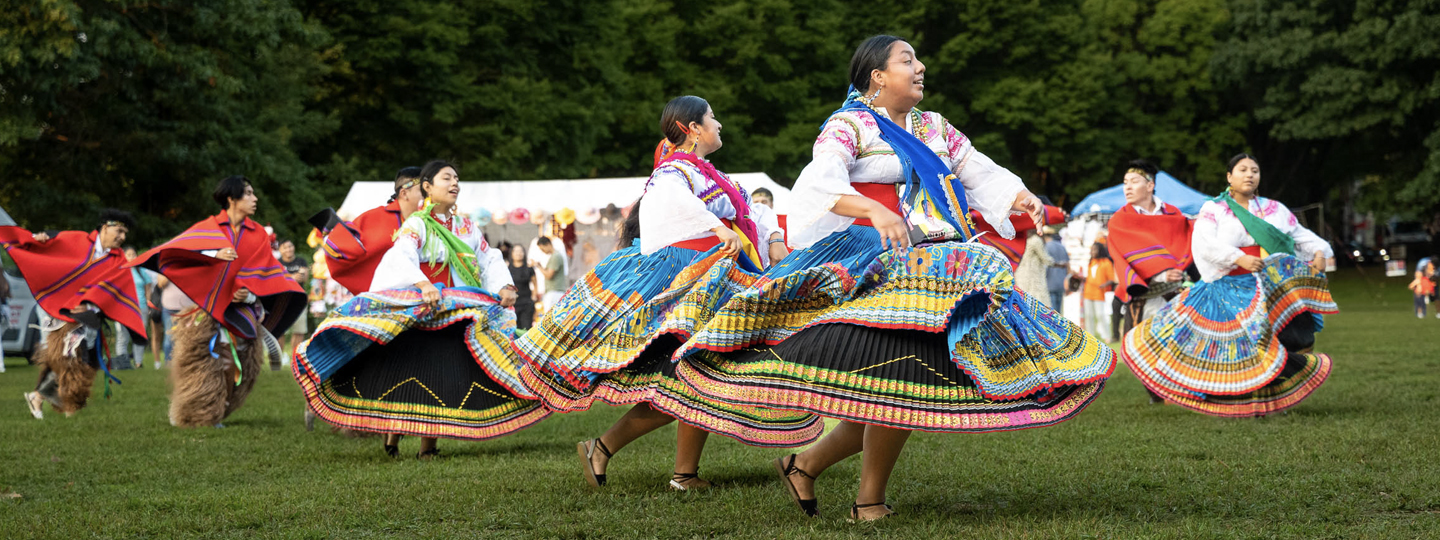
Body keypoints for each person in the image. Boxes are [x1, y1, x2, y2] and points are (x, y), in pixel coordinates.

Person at [666, 36, 1115, 521]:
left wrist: (1018, 195)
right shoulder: (849, 125)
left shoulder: (934, 126)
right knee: (898, 378)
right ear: (877, 75)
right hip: (874, 262)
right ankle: (865, 499)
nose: (920, 67)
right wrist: (871, 211)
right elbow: (821, 182)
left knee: (906, 378)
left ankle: (807, 465)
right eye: (908, 60)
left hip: (934, 259)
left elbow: (978, 171)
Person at [517, 95, 813, 492]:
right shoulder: (673, 171)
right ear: (693, 129)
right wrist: (717, 226)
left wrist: (774, 237)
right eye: (712, 117)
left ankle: (646, 461)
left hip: (719, 277)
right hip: (693, 283)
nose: (719, 123)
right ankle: (642, 459)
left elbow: (752, 209)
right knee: (695, 376)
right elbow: (671, 201)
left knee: (702, 376)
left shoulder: (711, 175)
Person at [293, 160, 544, 459]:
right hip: (420, 310)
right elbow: (401, 256)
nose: (454, 184)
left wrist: (505, 286)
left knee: (438, 375)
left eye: (456, 178)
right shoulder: (417, 224)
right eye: (446, 178)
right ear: (427, 186)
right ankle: (392, 439)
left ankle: (428, 447)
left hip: (455, 313)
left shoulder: (466, 226)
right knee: (403, 372)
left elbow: (488, 258)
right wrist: (423, 284)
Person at [1121, 153, 1338, 417]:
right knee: (1238, 347)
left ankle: (1272, 399)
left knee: (1288, 338)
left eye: (1254, 170)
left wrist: (1319, 254)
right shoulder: (1214, 209)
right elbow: (1205, 244)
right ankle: (1237, 399)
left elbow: (1303, 238)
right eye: (1243, 170)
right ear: (1229, 177)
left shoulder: (1274, 209)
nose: (1249, 175)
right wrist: (1238, 257)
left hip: (1271, 287)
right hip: (1230, 287)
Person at [129, 176, 306, 428]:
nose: (255, 199)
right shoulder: (208, 228)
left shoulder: (257, 236)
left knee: (243, 365)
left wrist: (250, 293)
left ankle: (219, 408)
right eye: (248, 193)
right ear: (231, 198)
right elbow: (181, 253)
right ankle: (202, 409)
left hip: (243, 311)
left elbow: (266, 274)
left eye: (254, 193)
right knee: (213, 360)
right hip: (208, 311)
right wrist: (214, 253)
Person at [2, 209, 146, 419]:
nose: (122, 237)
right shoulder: (77, 240)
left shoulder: (117, 260)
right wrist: (38, 240)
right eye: (119, 230)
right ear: (105, 226)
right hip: (57, 309)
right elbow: (47, 249)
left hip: (88, 316)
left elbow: (118, 289)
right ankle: (59, 400)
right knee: (65, 358)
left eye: (125, 233)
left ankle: (44, 397)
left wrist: (90, 304)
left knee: (81, 362)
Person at [1105, 160, 1193, 336]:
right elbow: (1125, 259)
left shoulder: (1174, 214)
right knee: (1142, 359)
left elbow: (1186, 244)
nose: (1127, 188)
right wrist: (1161, 274)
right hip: (1142, 300)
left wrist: (1178, 270)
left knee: (1177, 358)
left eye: (1134, 181)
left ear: (1150, 185)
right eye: (1125, 182)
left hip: (1176, 297)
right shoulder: (1120, 221)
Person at [278, 239, 310, 368]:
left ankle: (295, 358)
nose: (288, 249)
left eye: (290, 246)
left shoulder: (301, 261)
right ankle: (279, 357)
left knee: (299, 330)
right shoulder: (277, 263)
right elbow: (276, 279)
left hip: (299, 300)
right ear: (280, 250)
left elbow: (304, 277)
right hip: (281, 301)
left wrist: (287, 276)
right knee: (280, 331)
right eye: (285, 247)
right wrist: (292, 277)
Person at [1080, 243, 1115, 341]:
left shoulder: (1106, 262)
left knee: (1100, 314)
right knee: (1088, 315)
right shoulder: (1091, 262)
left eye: (1094, 250)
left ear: (1099, 250)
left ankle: (1106, 335)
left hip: (1099, 292)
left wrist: (1104, 284)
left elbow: (1111, 278)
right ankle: (1090, 336)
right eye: (1091, 250)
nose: (1092, 252)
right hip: (1088, 291)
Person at [1014, 230, 1052, 304]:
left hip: (1020, 274)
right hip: (1033, 276)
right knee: (1038, 300)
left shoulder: (1018, 240)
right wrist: (1058, 264)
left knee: (1023, 301)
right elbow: (1046, 258)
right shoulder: (1035, 240)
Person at [506, 244, 539, 330]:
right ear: (512, 254)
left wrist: (534, 298)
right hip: (512, 304)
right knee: (514, 329)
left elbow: (535, 283)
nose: (518, 253)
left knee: (526, 328)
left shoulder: (529, 268)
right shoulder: (507, 269)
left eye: (521, 251)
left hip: (526, 303)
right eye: (516, 251)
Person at [534, 237, 568, 311]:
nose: (543, 251)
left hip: (555, 292)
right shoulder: (555, 256)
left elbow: (549, 275)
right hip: (553, 292)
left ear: (548, 244)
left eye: (543, 249)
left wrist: (539, 267)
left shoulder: (556, 256)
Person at [1044, 227, 1070, 312]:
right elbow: (1067, 264)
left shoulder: (1046, 247)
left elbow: (1046, 266)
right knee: (1059, 311)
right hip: (1061, 282)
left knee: (1052, 311)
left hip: (1050, 282)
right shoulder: (1061, 246)